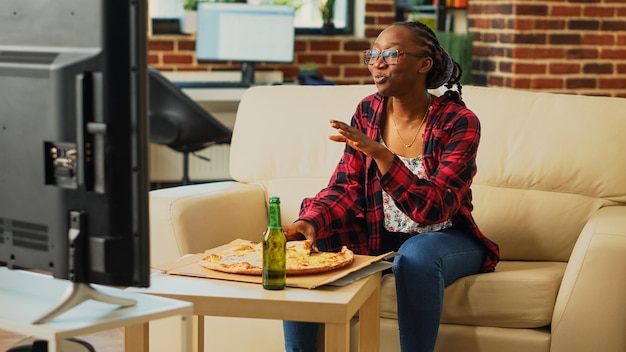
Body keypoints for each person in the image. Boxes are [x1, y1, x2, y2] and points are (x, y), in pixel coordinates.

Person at [281, 20, 500, 352]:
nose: (377, 63)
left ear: (423, 64)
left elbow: (434, 208)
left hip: (444, 236)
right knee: (308, 247)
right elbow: (347, 185)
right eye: (373, 54)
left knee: (415, 256)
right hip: (376, 233)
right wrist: (309, 221)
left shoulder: (458, 122)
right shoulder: (368, 111)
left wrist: (381, 154)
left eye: (391, 54)